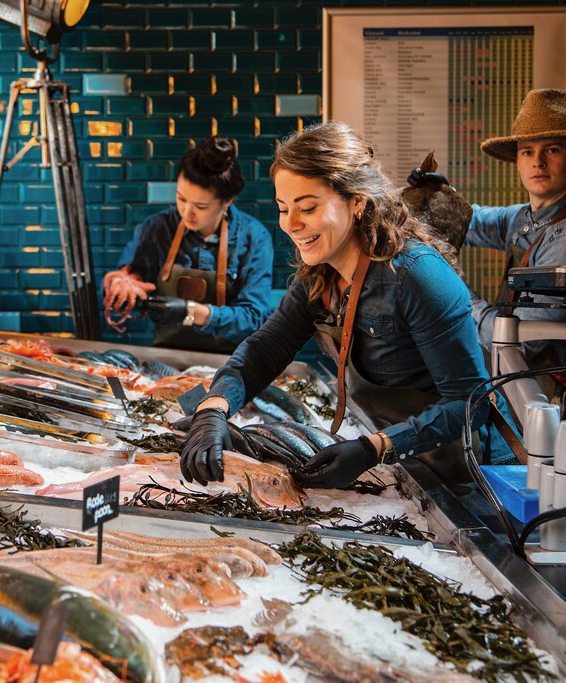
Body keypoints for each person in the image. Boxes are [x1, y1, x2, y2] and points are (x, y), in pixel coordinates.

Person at [179, 121, 518, 490]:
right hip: (410, 467)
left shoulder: (419, 276)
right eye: (282, 208)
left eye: (307, 207)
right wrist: (214, 407)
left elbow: (470, 403)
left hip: (477, 477)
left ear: (357, 202)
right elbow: (265, 349)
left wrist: (376, 448)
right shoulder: (320, 276)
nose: (290, 224)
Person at [464, 88, 566, 421]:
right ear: (517, 160)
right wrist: (433, 196)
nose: (538, 162)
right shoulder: (525, 218)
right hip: (516, 390)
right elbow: (468, 222)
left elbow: (521, 340)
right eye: (527, 151)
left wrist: (459, 298)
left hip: (551, 408)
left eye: (552, 150)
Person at [102, 137, 274, 354]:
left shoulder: (253, 237)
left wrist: (190, 311)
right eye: (181, 199)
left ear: (227, 200)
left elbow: (255, 318)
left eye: (201, 206)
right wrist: (123, 285)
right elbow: (130, 276)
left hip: (233, 363)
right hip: (166, 360)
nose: (187, 213)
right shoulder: (156, 228)